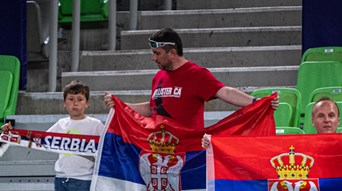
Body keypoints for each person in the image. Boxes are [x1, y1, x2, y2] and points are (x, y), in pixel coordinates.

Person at [4, 81, 105, 191]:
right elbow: (40, 140)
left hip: (84, 182)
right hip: (61, 182)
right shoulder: (61, 124)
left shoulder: (95, 125)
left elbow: (106, 147)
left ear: (87, 103)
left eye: (79, 99)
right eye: (71, 99)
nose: (75, 103)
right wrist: (13, 133)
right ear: (64, 103)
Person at [104, 28, 254, 130]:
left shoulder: (196, 74)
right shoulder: (159, 76)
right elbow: (152, 109)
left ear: (172, 53)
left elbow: (225, 92)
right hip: (163, 149)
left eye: (157, 53)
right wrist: (121, 105)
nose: (153, 58)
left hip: (189, 152)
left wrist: (255, 102)